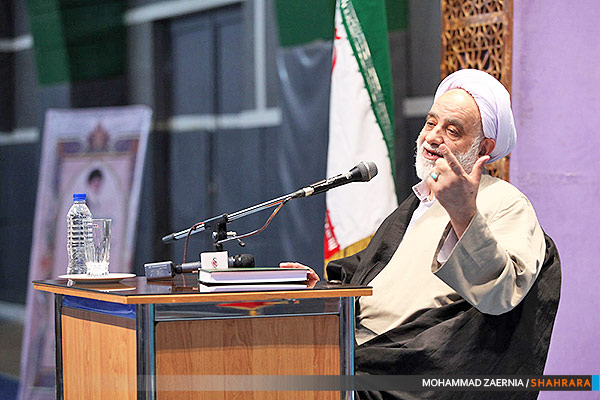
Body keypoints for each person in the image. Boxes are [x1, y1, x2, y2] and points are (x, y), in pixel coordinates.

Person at [281, 69, 560, 399]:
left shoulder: (504, 201)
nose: (433, 137)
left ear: (484, 147)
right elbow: (370, 282)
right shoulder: (417, 204)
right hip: (360, 352)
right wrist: (324, 291)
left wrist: (464, 213)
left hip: (411, 369)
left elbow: (502, 294)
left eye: (452, 130)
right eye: (431, 123)